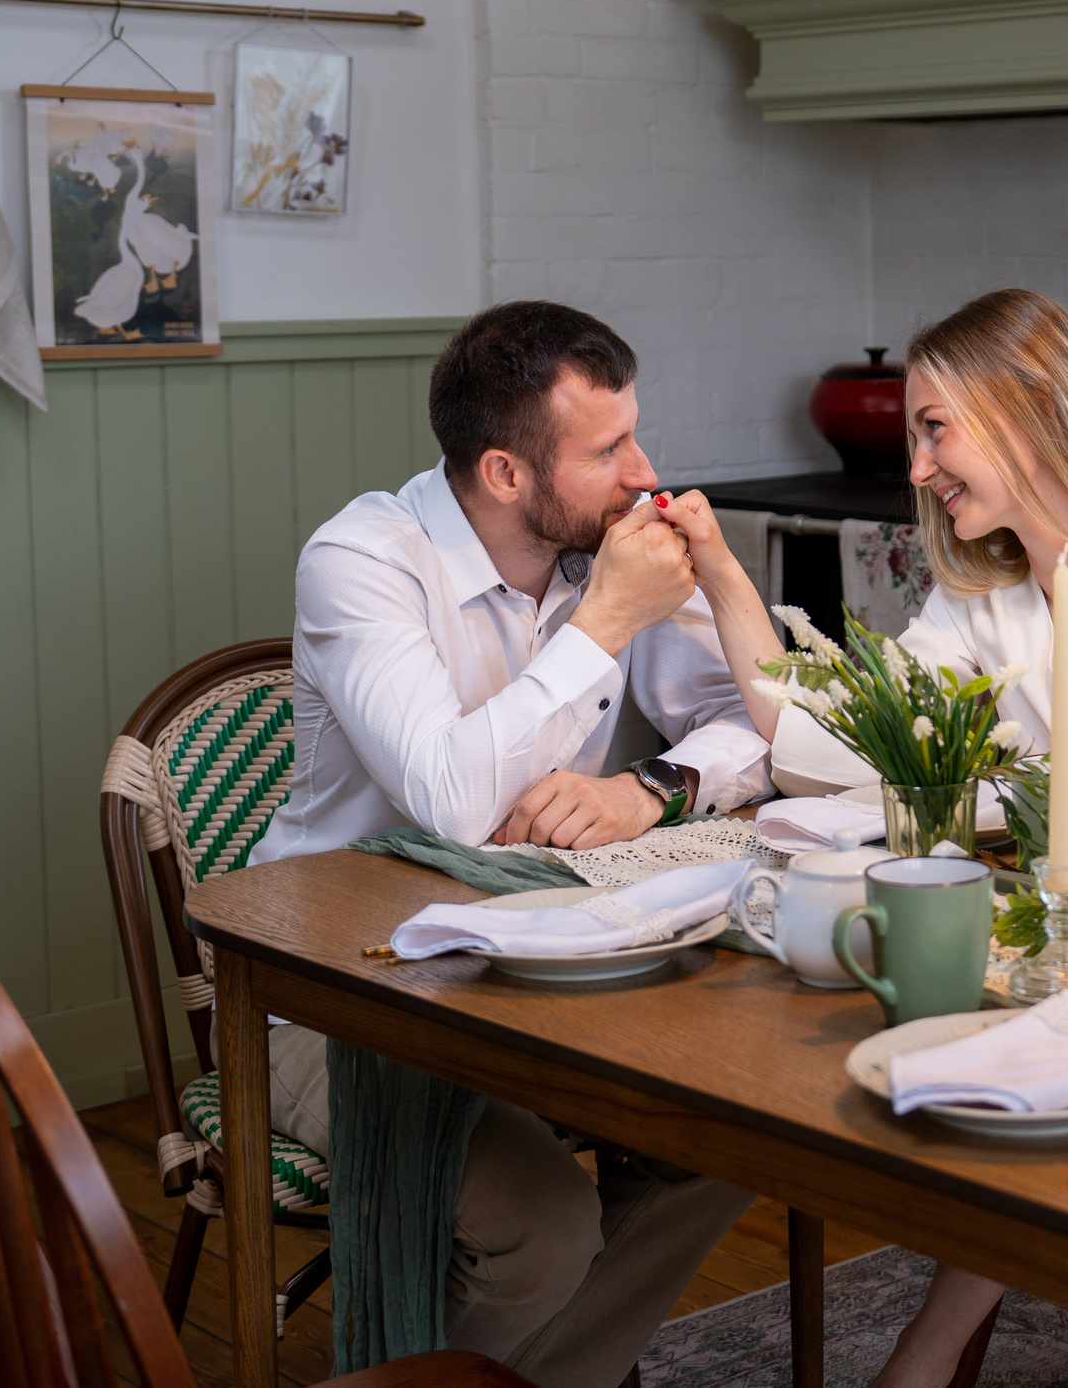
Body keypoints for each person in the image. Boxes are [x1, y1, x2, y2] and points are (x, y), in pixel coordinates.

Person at [659, 288, 1068, 1388]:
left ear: (1033, 410)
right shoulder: (987, 600)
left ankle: (924, 1352)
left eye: (935, 427)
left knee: (1055, 1056)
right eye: (914, 433)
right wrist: (719, 572)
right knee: (1004, 1034)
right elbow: (835, 742)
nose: (917, 466)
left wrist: (1014, 776)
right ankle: (945, 1354)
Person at [247, 300, 770, 1388]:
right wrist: (606, 625)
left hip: (533, 959)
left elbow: (757, 722)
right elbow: (447, 795)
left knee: (734, 1135)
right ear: (504, 474)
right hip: (332, 992)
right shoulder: (362, 561)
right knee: (540, 1226)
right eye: (607, 449)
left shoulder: (598, 547)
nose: (644, 474)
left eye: (635, 433)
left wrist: (653, 786)